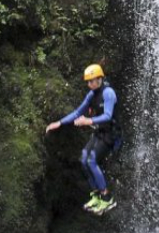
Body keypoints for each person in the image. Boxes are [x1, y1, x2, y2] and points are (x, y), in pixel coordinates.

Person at [46, 63, 121, 216]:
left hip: (111, 133)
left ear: (100, 78)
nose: (90, 84)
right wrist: (59, 122)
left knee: (91, 160)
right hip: (100, 132)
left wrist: (88, 121)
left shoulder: (108, 93)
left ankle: (107, 197)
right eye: (88, 81)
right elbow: (77, 112)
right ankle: (97, 195)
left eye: (92, 80)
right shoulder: (92, 94)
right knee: (83, 159)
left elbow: (107, 115)